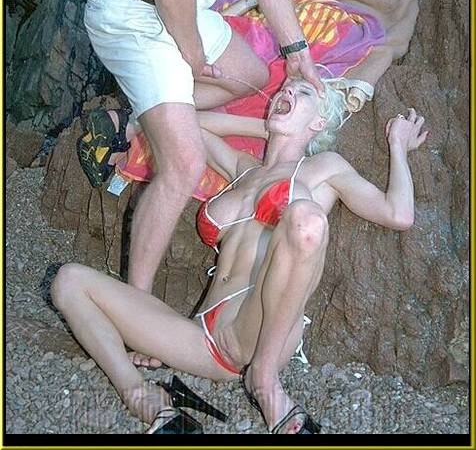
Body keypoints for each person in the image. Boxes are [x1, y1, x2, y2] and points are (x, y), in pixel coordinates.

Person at [54, 77, 428, 434]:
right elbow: (185, 123)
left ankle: (264, 377)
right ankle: (145, 399)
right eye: (284, 89)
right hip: (203, 336)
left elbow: (398, 214)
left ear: (319, 122)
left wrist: (398, 147)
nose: (287, 92)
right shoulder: (240, 170)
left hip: (259, 330)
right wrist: (264, 126)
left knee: (306, 221)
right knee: (68, 281)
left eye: (302, 92)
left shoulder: (323, 167)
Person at [79, 0, 352, 293]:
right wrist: (191, 54)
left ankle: (139, 119)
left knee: (250, 74)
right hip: (132, 9)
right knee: (184, 165)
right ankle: (134, 301)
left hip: (179, 8)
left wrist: (297, 51)